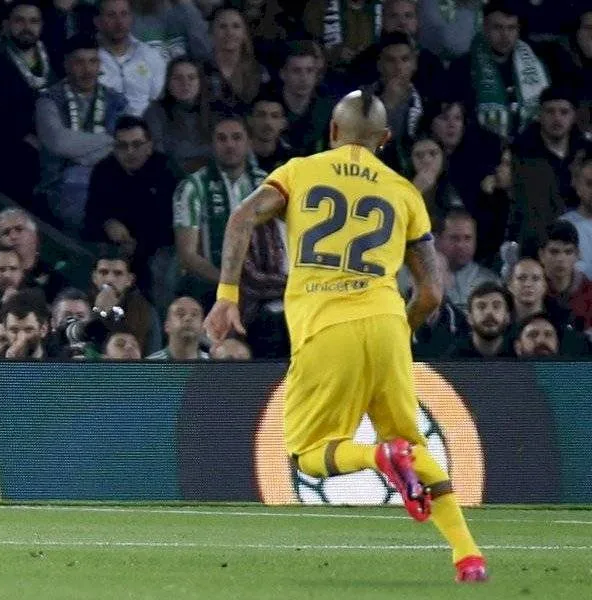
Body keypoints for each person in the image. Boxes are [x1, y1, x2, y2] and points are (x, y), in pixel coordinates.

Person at [203, 89, 486, 583]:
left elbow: (243, 215)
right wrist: (400, 332)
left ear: (333, 132)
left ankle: (379, 457)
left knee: (310, 454)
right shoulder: (404, 192)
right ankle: (468, 556)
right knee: (413, 445)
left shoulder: (298, 171)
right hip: (386, 324)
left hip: (325, 326)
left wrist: (227, 295)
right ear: (384, 140)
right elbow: (432, 295)